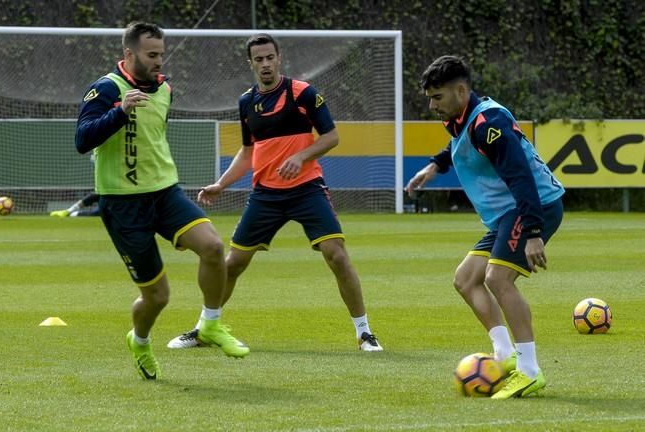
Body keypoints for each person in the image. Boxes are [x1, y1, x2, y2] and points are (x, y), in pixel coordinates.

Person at [168, 33, 383, 352]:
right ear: (251, 63)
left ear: (279, 58)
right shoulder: (246, 102)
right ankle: (204, 329)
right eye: (259, 59)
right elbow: (247, 152)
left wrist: (300, 156)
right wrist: (220, 184)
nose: (265, 64)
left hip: (307, 190)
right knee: (233, 264)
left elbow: (331, 136)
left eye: (270, 57)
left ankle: (364, 333)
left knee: (335, 254)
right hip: (265, 195)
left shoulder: (303, 93)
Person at [75, 22, 249, 380]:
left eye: (161, 55)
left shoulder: (165, 89)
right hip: (122, 204)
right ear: (129, 54)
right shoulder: (106, 89)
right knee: (157, 297)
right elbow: (82, 140)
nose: (158, 61)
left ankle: (211, 324)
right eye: (150, 55)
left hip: (165, 193)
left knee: (214, 248)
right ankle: (139, 340)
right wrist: (119, 112)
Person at [406, 55, 564, 399]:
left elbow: (521, 176)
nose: (432, 105)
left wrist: (534, 232)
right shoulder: (461, 118)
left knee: (497, 278)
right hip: (511, 212)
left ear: (461, 91)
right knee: (465, 279)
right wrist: (434, 166)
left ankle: (529, 370)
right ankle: (504, 354)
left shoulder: (488, 123)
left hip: (534, 206)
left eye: (437, 97)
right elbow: (457, 145)